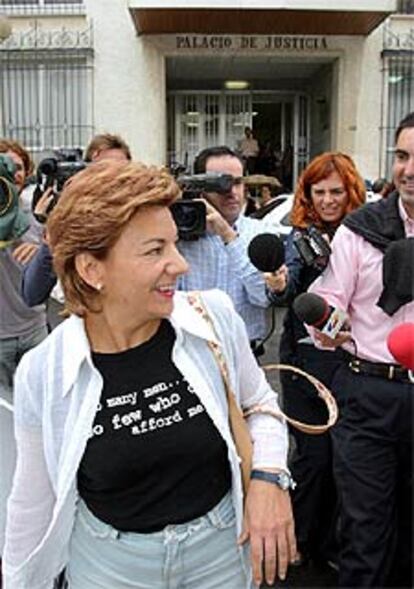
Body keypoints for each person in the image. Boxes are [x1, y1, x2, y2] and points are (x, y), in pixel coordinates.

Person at [3, 160, 296, 589]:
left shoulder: (210, 317)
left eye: (174, 245)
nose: (179, 265)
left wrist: (269, 478)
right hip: (109, 568)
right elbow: (32, 502)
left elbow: (259, 405)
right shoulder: (45, 370)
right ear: (91, 269)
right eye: (155, 250)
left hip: (221, 555)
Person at [307, 113, 414, 587]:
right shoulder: (361, 226)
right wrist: (327, 322)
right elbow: (331, 296)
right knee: (365, 530)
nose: (409, 169)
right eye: (403, 156)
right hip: (368, 393)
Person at [265, 152, 366, 570]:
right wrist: (277, 285)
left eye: (336, 192)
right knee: (313, 458)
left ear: (351, 192)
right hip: (304, 364)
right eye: (319, 192)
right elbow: (282, 291)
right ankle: (299, 544)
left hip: (353, 359)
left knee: (350, 461)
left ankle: (335, 545)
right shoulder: (297, 235)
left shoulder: (367, 233)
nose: (327, 200)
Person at [177, 146, 279, 356]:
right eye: (220, 183)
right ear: (200, 188)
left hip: (244, 353)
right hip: (192, 352)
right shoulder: (179, 235)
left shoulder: (262, 233)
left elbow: (263, 296)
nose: (231, 191)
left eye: (237, 182)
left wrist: (228, 236)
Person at [0, 139, 48, 574]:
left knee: (40, 428)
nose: (11, 175)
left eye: (16, 168)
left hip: (33, 330)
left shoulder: (36, 217)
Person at [21, 133, 132, 311]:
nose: (111, 179)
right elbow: (33, 294)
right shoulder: (73, 224)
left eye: (119, 172)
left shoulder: (141, 216)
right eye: (101, 171)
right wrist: (56, 226)